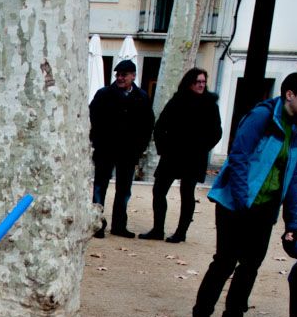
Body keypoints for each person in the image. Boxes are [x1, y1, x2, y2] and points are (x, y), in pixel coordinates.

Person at [190, 72, 297, 317]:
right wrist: (241, 202)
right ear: (290, 94)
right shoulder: (262, 117)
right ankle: (201, 316)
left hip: (265, 208)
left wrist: (292, 221)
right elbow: (238, 157)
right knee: (224, 261)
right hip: (236, 204)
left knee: (251, 265)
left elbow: (292, 176)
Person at [139, 67, 221, 244]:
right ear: (189, 83)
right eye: (197, 82)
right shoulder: (177, 101)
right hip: (172, 154)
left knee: (187, 193)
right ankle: (158, 229)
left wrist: (202, 147)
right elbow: (160, 125)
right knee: (159, 190)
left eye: (203, 82)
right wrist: (163, 147)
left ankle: (181, 232)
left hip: (194, 156)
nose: (201, 85)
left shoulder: (210, 105)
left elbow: (216, 132)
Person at [89, 59, 153, 239]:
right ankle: (97, 223)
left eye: (124, 75)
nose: (120, 78)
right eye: (118, 74)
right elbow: (92, 118)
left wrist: (140, 147)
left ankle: (119, 225)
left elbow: (148, 125)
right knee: (100, 187)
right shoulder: (103, 95)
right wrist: (96, 141)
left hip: (129, 152)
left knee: (124, 190)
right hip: (105, 149)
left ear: (133, 76)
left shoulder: (142, 97)